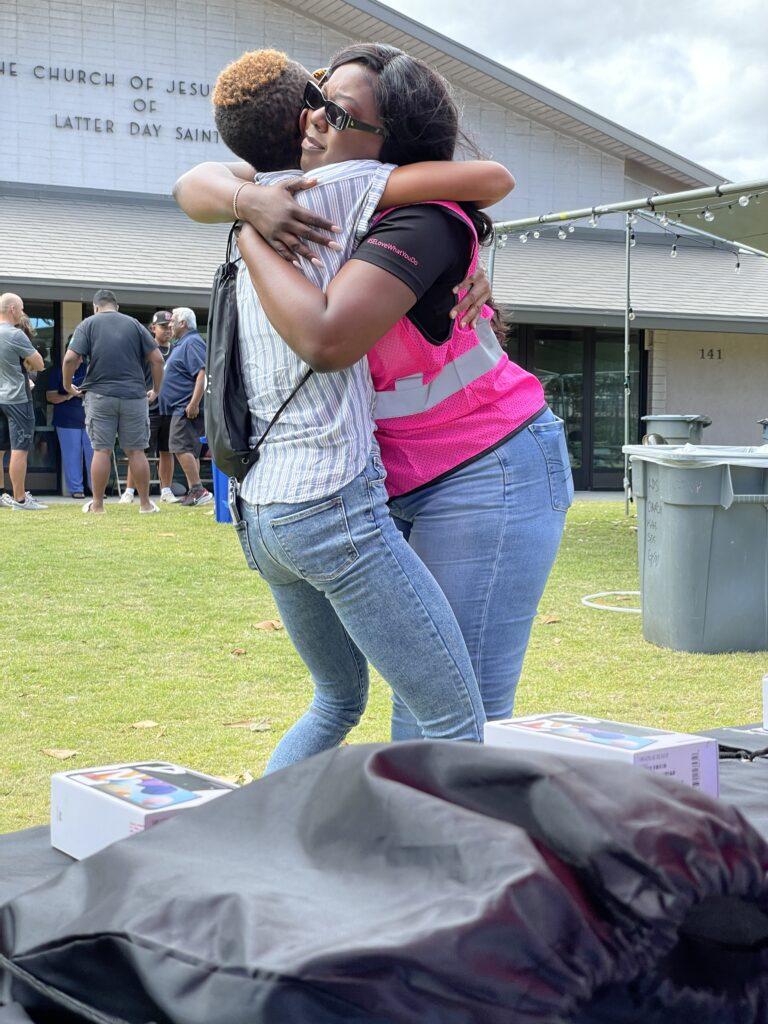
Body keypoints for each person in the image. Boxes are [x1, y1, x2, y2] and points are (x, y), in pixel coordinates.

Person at [181, 43, 573, 739]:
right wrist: (248, 205)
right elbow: (194, 183)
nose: (312, 117)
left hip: (486, 467)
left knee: (450, 716)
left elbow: (329, 338)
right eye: (315, 95)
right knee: (416, 708)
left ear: (390, 145)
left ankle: (446, 848)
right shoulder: (300, 207)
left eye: (336, 110)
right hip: (388, 480)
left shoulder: (414, 218)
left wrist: (248, 233)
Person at [63, 289, 164, 515]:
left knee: (101, 451)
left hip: (99, 396)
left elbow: (70, 358)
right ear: (116, 307)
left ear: (95, 307)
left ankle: (98, 505)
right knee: (136, 451)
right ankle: (146, 504)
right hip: (135, 396)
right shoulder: (135, 324)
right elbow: (157, 359)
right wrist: (156, 390)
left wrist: (68, 386)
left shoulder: (88, 324)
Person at [122, 311, 179, 505]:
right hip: (148, 405)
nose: (168, 331)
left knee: (166, 450)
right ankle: (129, 491)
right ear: (153, 328)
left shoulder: (177, 349)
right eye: (164, 327)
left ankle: (166, 489)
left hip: (170, 406)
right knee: (139, 450)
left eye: (171, 327)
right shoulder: (145, 349)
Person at [157, 307, 211, 507]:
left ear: (183, 323)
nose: (170, 325)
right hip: (178, 407)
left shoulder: (193, 342)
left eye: (173, 321)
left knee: (180, 446)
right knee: (186, 448)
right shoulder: (183, 344)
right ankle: (194, 491)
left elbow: (202, 373)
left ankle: (198, 490)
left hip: (186, 406)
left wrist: (194, 402)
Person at [0, 292, 47, 510]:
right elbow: (39, 364)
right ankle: (19, 499)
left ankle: (3, 495)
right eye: (20, 308)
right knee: (20, 448)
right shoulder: (15, 334)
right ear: (12, 309)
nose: (22, 312)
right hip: (17, 397)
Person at [46, 335, 93, 499]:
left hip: (89, 418)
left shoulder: (88, 369)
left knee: (93, 454)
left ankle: (96, 489)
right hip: (66, 420)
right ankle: (76, 489)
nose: (80, 359)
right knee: (72, 455)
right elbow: (50, 397)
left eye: (82, 355)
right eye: (78, 355)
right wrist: (70, 395)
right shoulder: (58, 371)